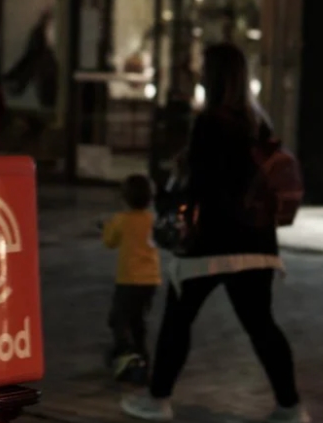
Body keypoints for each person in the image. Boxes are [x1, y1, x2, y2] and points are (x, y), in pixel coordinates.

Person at [120, 43, 310, 423]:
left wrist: (172, 190)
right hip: (256, 241)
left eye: (204, 70)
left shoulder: (210, 123)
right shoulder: (258, 123)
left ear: (215, 77)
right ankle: (291, 407)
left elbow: (204, 187)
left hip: (210, 242)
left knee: (177, 321)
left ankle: (158, 400)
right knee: (261, 325)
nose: (200, 75)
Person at [101, 174, 160, 382]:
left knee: (118, 318)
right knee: (138, 319)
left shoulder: (121, 220)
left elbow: (110, 242)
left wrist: (106, 228)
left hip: (128, 280)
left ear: (125, 198)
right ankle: (142, 354)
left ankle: (125, 355)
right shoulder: (152, 219)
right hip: (151, 280)